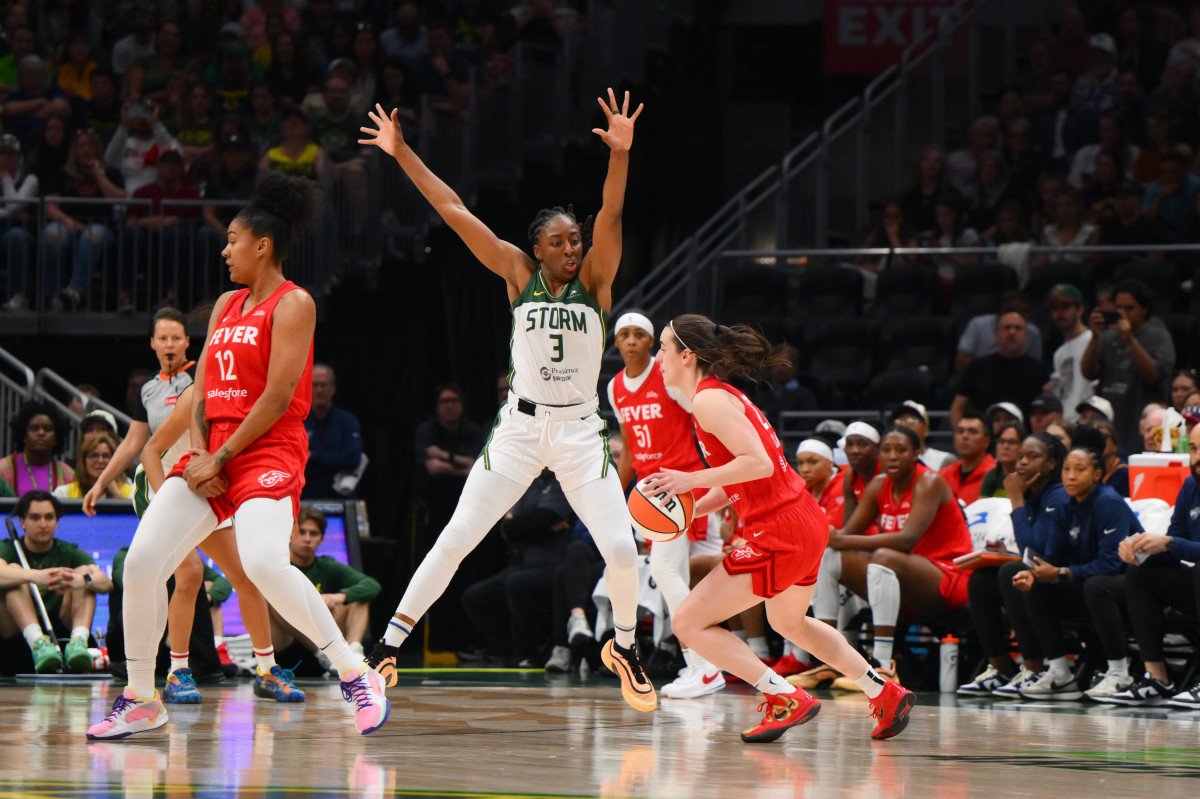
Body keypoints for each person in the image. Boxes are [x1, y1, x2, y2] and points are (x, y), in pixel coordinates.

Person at [361, 91, 654, 712]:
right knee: (458, 537)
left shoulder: (597, 282)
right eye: (560, 241)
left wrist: (621, 153)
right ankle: (387, 646)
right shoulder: (516, 274)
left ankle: (623, 648)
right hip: (519, 432)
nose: (573, 247)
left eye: (575, 239)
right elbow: (452, 207)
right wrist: (402, 151)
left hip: (578, 435)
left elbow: (612, 209)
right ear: (538, 248)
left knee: (623, 549)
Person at [86, 171, 388, 740]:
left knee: (265, 564)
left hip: (267, 448)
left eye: (232, 240)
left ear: (262, 245)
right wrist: (202, 455)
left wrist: (221, 456)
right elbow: (199, 392)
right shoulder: (225, 303)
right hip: (214, 451)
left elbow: (276, 398)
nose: (225, 250)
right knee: (144, 562)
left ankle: (354, 674)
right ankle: (141, 697)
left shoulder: (295, 303)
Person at [643, 315, 914, 742]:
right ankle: (882, 691)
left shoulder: (707, 403)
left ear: (686, 354)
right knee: (791, 623)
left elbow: (760, 464)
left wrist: (689, 481)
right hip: (801, 520)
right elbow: (739, 478)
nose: (657, 357)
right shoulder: (720, 396)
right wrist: (691, 510)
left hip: (779, 528)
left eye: (662, 347)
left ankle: (782, 696)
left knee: (689, 623)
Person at [606, 311, 720, 699]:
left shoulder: (666, 377)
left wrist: (718, 473)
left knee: (666, 571)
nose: (632, 340)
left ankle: (704, 665)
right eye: (625, 334)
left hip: (682, 485)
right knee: (673, 576)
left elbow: (704, 419)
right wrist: (615, 499)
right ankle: (702, 664)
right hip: (648, 493)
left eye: (640, 334)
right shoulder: (615, 388)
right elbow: (628, 450)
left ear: (653, 342)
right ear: (617, 342)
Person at [821, 427, 973, 687]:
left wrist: (843, 539)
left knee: (884, 556)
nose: (892, 456)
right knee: (829, 555)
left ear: (917, 453)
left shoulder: (930, 481)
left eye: (901, 450)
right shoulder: (879, 485)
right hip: (898, 582)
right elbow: (846, 534)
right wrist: (847, 496)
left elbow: (907, 540)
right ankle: (828, 657)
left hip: (946, 578)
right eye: (886, 450)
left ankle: (882, 664)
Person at [1008, 427, 1137, 700]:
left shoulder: (1109, 503)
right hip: (1088, 584)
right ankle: (1060, 673)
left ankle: (1119, 673)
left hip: (1129, 588)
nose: (1071, 476)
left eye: (1080, 470)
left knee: (1097, 585)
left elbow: (1112, 563)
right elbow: (1051, 557)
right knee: (1034, 585)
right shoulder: (1065, 505)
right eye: (1067, 469)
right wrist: (1036, 574)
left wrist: (1062, 572)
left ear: (1097, 475)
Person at [958, 432, 1068, 696]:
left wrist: (1016, 499)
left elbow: (1035, 549)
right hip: (1040, 574)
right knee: (982, 580)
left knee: (1012, 572)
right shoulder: (1034, 494)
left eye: (1033, 457)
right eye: (1020, 457)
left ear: (1052, 463)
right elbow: (1030, 549)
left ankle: (1034, 668)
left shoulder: (1057, 496)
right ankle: (1001, 668)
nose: (1022, 463)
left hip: (1066, 580)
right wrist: (1007, 551)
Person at [1110, 424, 1200, 707]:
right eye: (1195, 449)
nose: (1197, 457)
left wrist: (1170, 543)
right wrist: (1142, 550)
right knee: (1141, 572)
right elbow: (1176, 539)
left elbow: (1174, 543)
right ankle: (1157, 678)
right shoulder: (1191, 485)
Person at [463, 470, 570, 669]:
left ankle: (526, 653)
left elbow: (542, 518)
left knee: (517, 583)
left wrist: (521, 525)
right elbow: (508, 527)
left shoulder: (563, 481)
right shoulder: (530, 482)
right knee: (475, 597)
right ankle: (510, 651)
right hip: (526, 562)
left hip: (556, 564)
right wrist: (528, 526)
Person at [0, 491, 112, 674]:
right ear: (22, 521)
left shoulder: (69, 551)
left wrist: (82, 580)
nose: (43, 524)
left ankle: (78, 642)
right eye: (35, 518)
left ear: (57, 521)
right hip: (16, 639)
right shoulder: (7, 548)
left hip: (62, 634)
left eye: (49, 517)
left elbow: (105, 583)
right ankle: (38, 643)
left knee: (85, 575)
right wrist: (34, 576)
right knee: (14, 572)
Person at [273, 507, 381, 674]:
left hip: (327, 643)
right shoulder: (278, 565)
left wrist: (335, 598)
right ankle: (322, 652)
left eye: (313, 533)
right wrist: (316, 602)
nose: (307, 539)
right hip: (286, 643)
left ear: (322, 539)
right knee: (269, 596)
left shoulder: (327, 566)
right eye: (302, 532)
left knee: (359, 597)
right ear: (290, 534)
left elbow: (372, 585)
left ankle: (354, 653)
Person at [1081, 279, 1175, 450]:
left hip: (1140, 424)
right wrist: (1095, 337)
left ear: (1144, 309)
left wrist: (1130, 339)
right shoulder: (1108, 337)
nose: (1122, 313)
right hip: (1110, 422)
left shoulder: (1158, 337)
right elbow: (1088, 372)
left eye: (1129, 308)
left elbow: (1153, 375)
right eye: (1118, 308)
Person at [951, 309, 1051, 426]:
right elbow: (957, 407)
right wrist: (961, 434)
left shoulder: (1039, 370)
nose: (1012, 332)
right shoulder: (977, 367)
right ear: (996, 333)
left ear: (1026, 335)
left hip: (1025, 440)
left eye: (1017, 328)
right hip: (985, 440)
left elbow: (1049, 410)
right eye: (1007, 327)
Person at [303, 363, 364, 499]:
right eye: (314, 385)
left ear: (333, 388)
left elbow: (353, 459)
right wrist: (334, 460)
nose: (319, 390)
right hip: (306, 499)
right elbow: (296, 463)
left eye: (323, 385)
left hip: (341, 498)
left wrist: (312, 456)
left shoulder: (348, 421)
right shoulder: (300, 422)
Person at [1045, 284, 1095, 422]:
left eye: (1065, 307)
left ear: (1079, 309)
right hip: (1067, 423)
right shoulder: (1059, 353)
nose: (1059, 313)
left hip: (1088, 421)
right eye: (1055, 309)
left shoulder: (1092, 340)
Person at [1, 401, 75, 494]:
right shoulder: (3, 469)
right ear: (24, 435)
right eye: (34, 428)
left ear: (56, 438)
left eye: (48, 429)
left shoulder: (68, 475)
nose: (41, 433)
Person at [53, 430, 131, 500]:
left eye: (106, 456)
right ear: (83, 461)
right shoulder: (63, 493)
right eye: (94, 455)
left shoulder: (131, 493)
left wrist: (116, 493)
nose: (100, 461)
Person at [939, 411, 996, 505]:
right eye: (960, 431)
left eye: (973, 432)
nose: (965, 436)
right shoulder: (944, 474)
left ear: (986, 441)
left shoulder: (995, 475)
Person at [893, 401, 955, 471]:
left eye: (913, 420)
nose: (905, 425)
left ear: (926, 429)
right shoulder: (887, 461)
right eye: (900, 420)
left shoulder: (945, 460)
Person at [979, 423, 1026, 498]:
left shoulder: (1028, 476)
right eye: (1001, 441)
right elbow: (982, 507)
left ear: (1023, 447)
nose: (1005, 446)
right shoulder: (992, 475)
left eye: (1012, 442)